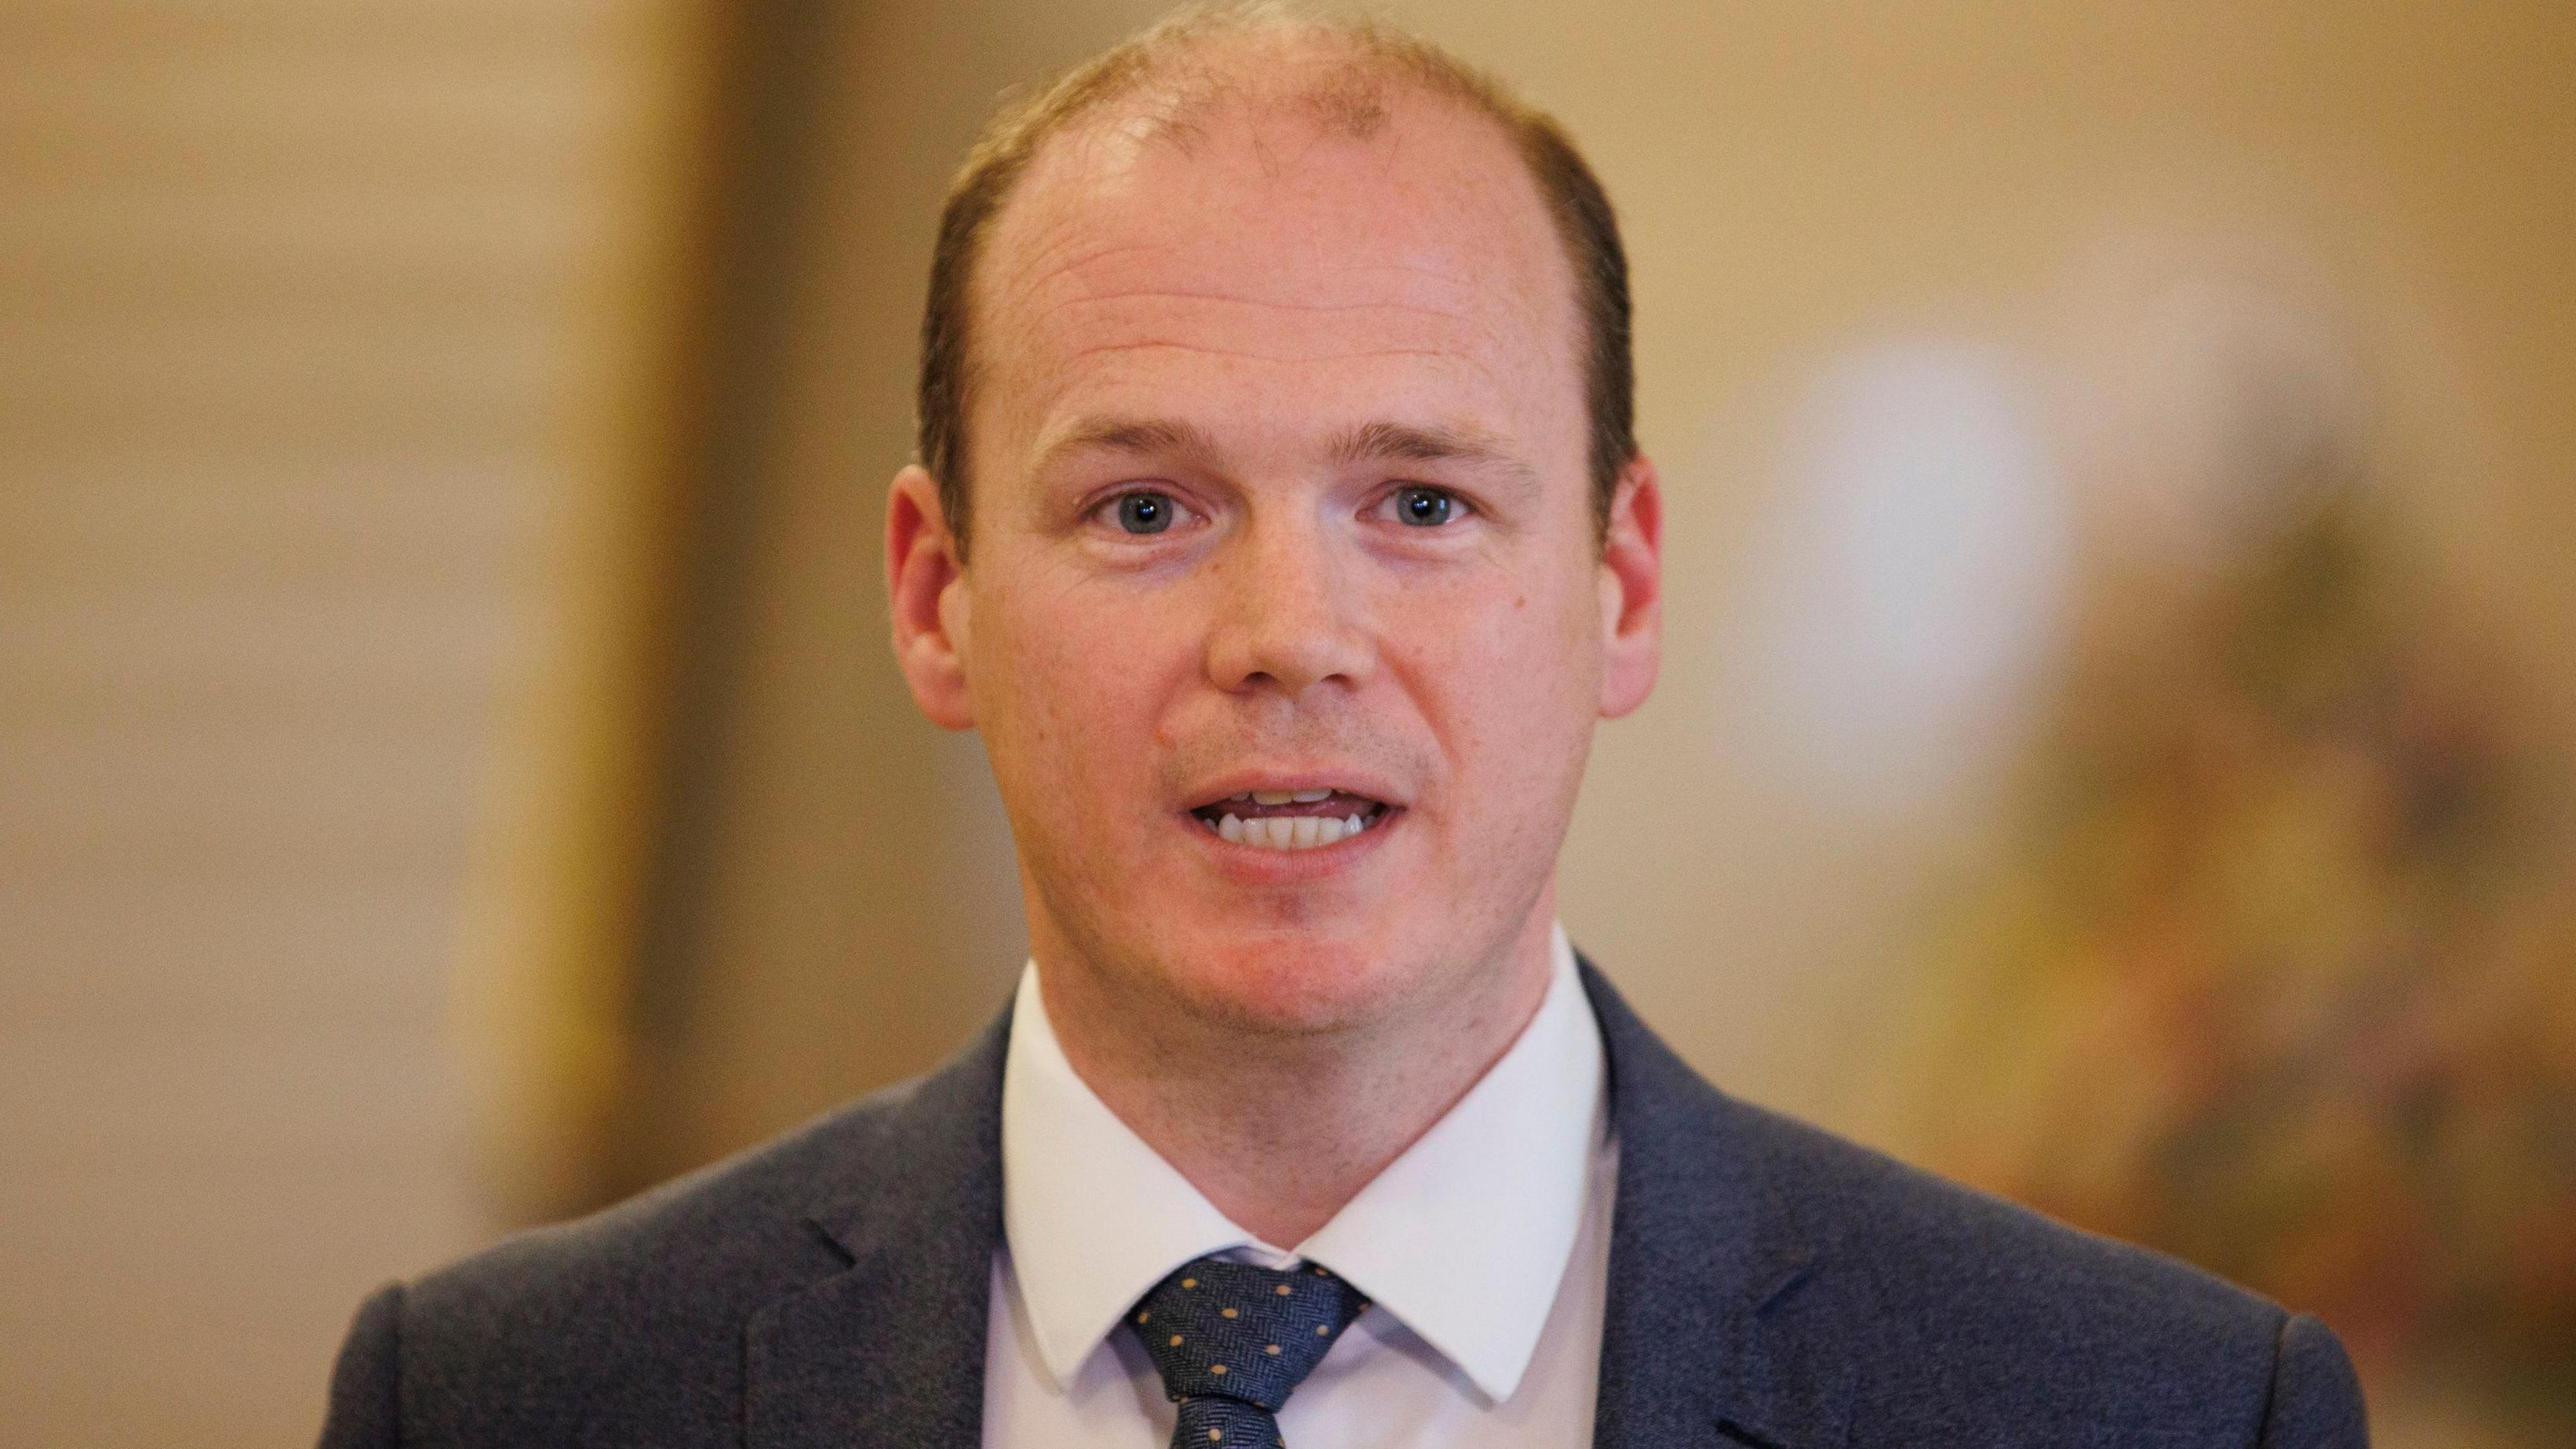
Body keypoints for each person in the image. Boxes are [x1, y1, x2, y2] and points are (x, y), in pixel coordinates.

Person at [319, 6, 2369, 1446]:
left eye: (1420, 504)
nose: (1292, 636)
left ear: (1621, 584)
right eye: (1145, 509)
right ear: (936, 598)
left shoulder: (2153, 1416)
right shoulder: (509, 1404)